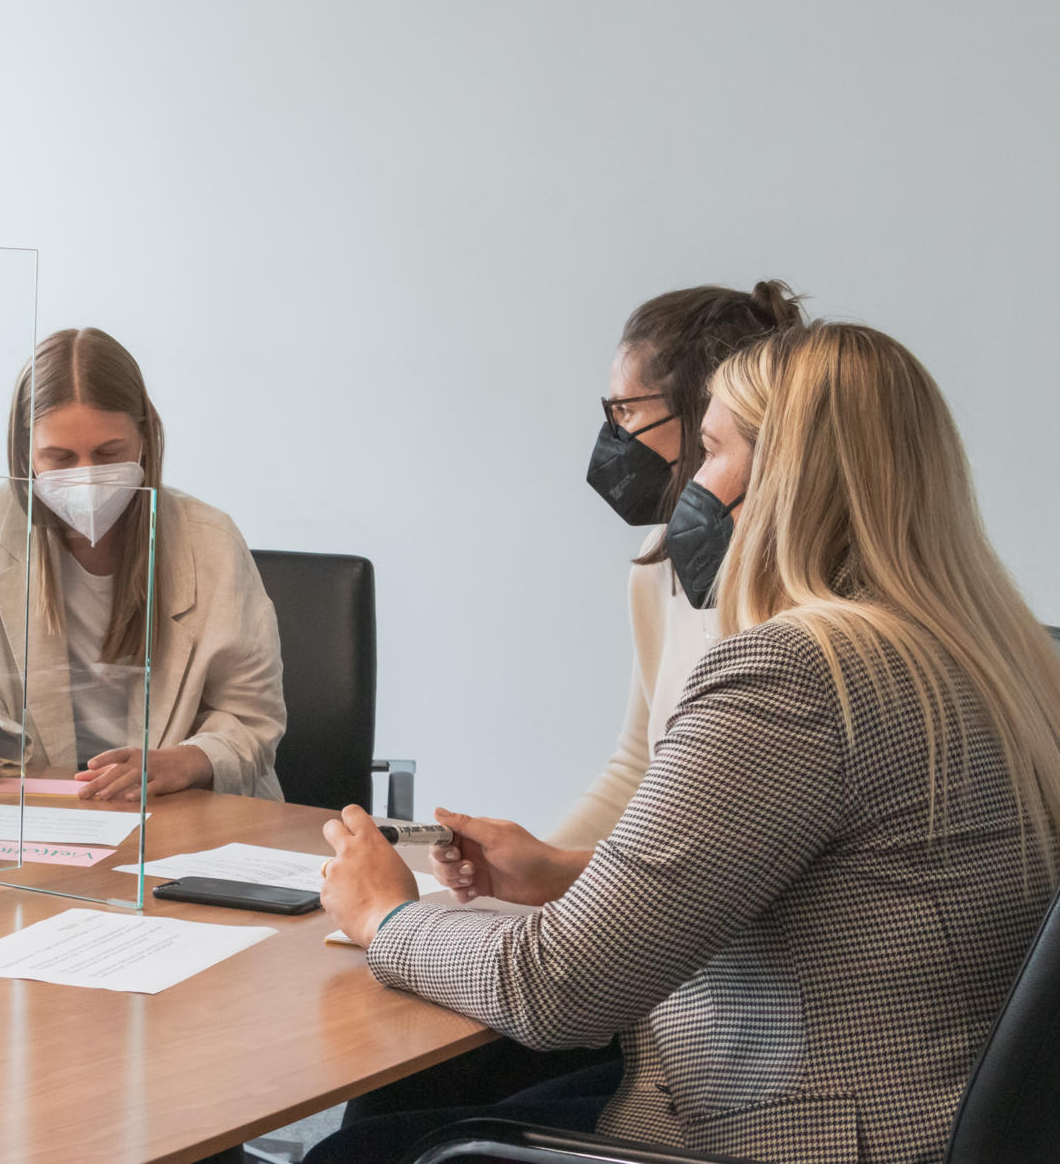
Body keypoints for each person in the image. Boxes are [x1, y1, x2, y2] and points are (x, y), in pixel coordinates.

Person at [313, 322, 1060, 1164]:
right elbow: (832, 880)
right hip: (938, 1117)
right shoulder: (997, 654)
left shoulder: (800, 673)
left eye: (710, 452)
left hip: (785, 1132)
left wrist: (386, 915)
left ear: (786, 477)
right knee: (421, 1097)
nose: (693, 486)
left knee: (359, 1152)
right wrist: (569, 873)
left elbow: (558, 988)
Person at [339, 281, 806, 1128]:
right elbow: (646, 774)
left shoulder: (785, 668)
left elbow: (576, 979)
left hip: (725, 1055)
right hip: (681, 991)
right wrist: (547, 868)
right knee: (396, 1095)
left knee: (378, 1132)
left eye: (627, 410)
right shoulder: (666, 565)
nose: (611, 438)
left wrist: (389, 917)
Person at [0, 326, 285, 801]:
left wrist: (185, 762)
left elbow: (251, 718)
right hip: (42, 807)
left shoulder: (209, 541)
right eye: (60, 457)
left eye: (108, 454)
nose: (86, 479)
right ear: (26, 453)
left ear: (145, 439)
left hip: (185, 811)